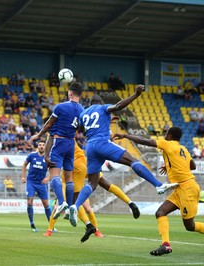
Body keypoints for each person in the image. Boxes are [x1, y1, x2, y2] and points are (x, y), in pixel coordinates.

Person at [68, 85, 178, 231]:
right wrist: (136, 95)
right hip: (103, 142)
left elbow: (81, 130)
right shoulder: (103, 108)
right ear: (100, 103)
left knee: (92, 183)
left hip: (90, 147)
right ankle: (158, 185)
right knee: (133, 161)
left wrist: (106, 120)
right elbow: (119, 105)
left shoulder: (84, 113)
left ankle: (75, 207)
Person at [113, 127, 204, 256]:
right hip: (179, 188)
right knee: (160, 212)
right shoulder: (183, 148)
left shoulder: (167, 143)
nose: (165, 135)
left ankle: (166, 245)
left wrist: (126, 136)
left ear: (171, 136)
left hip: (187, 189)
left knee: (190, 226)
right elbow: (193, 166)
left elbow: (144, 141)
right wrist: (170, 165)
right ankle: (166, 245)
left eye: (167, 134)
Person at [43, 138, 140, 241]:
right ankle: (130, 202)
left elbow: (57, 163)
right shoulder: (72, 134)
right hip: (86, 161)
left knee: (72, 202)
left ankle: (88, 225)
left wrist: (46, 157)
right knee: (105, 186)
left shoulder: (56, 137)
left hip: (75, 168)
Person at [29, 82, 84, 220]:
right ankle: (72, 206)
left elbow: (49, 124)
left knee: (54, 174)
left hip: (59, 142)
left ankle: (62, 203)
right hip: (72, 143)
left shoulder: (60, 107)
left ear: (70, 93)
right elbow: (82, 129)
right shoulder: (82, 110)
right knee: (69, 177)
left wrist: (39, 135)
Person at [21, 140, 51, 232]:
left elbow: (55, 170)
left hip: (41, 184)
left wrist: (48, 178)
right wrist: (23, 176)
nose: (41, 146)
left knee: (46, 204)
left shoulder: (48, 157)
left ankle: (51, 225)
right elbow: (24, 164)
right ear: (37, 146)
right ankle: (32, 223)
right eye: (40, 145)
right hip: (31, 182)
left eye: (43, 145)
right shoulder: (32, 155)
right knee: (29, 202)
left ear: (45, 147)